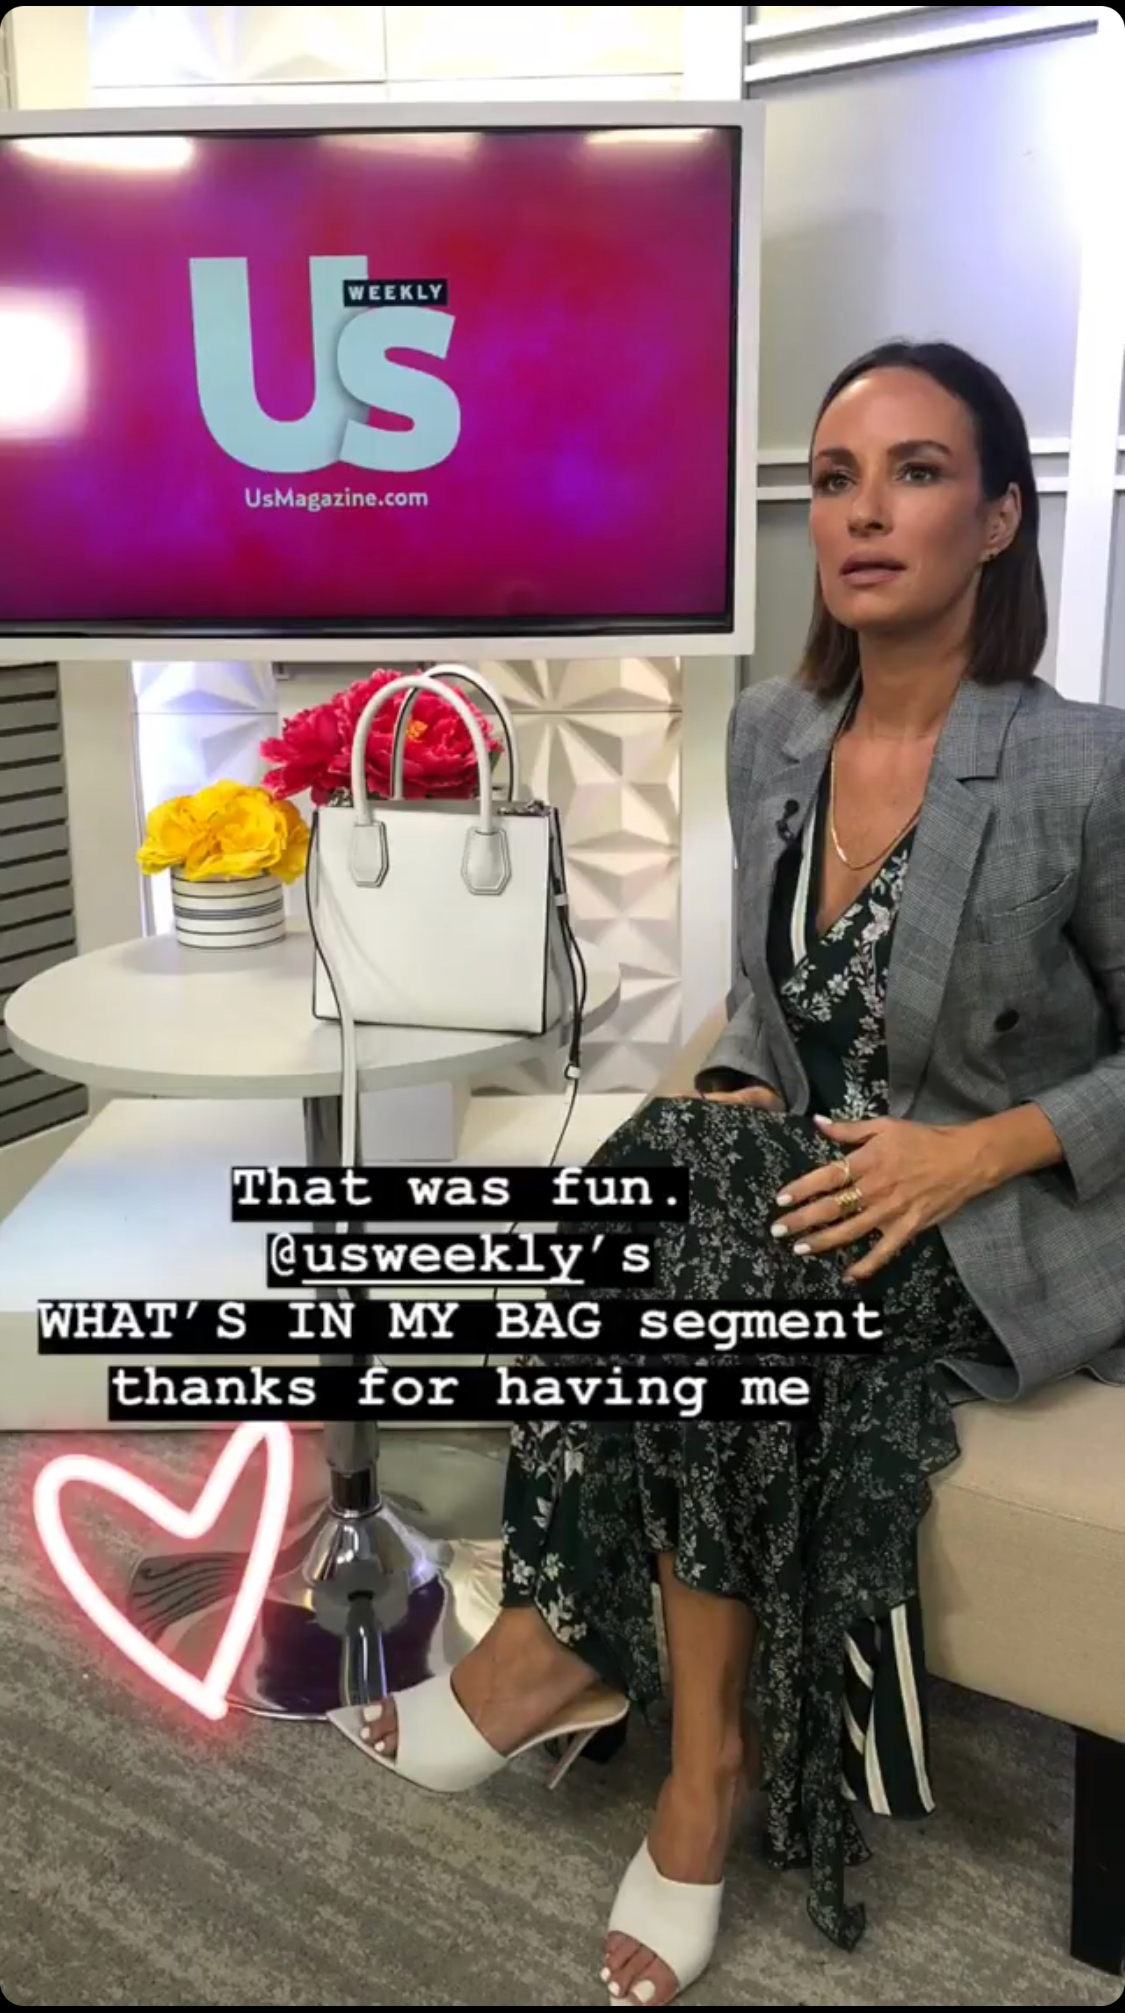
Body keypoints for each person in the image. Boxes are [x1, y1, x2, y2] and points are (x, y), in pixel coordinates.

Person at [330, 341, 1125, 2005]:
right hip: (787, 1189)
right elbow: (770, 1000)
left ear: (997, 517)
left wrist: (964, 1150)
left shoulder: (1084, 765)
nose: (862, 511)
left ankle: (640, 1727)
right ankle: (618, 1696)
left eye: (916, 472)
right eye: (833, 479)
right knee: (658, 1190)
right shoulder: (773, 726)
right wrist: (739, 1082)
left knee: (698, 1246)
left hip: (988, 1213)